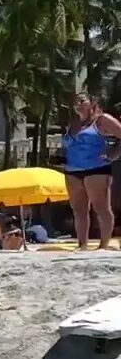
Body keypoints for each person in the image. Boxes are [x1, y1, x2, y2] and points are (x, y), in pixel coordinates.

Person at [63, 93, 121, 250]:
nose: (78, 104)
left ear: (92, 103)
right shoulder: (74, 123)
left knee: (101, 207)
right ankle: (82, 244)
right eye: (76, 102)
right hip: (72, 169)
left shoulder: (102, 120)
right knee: (79, 210)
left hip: (97, 168)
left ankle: (104, 244)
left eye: (82, 101)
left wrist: (114, 154)